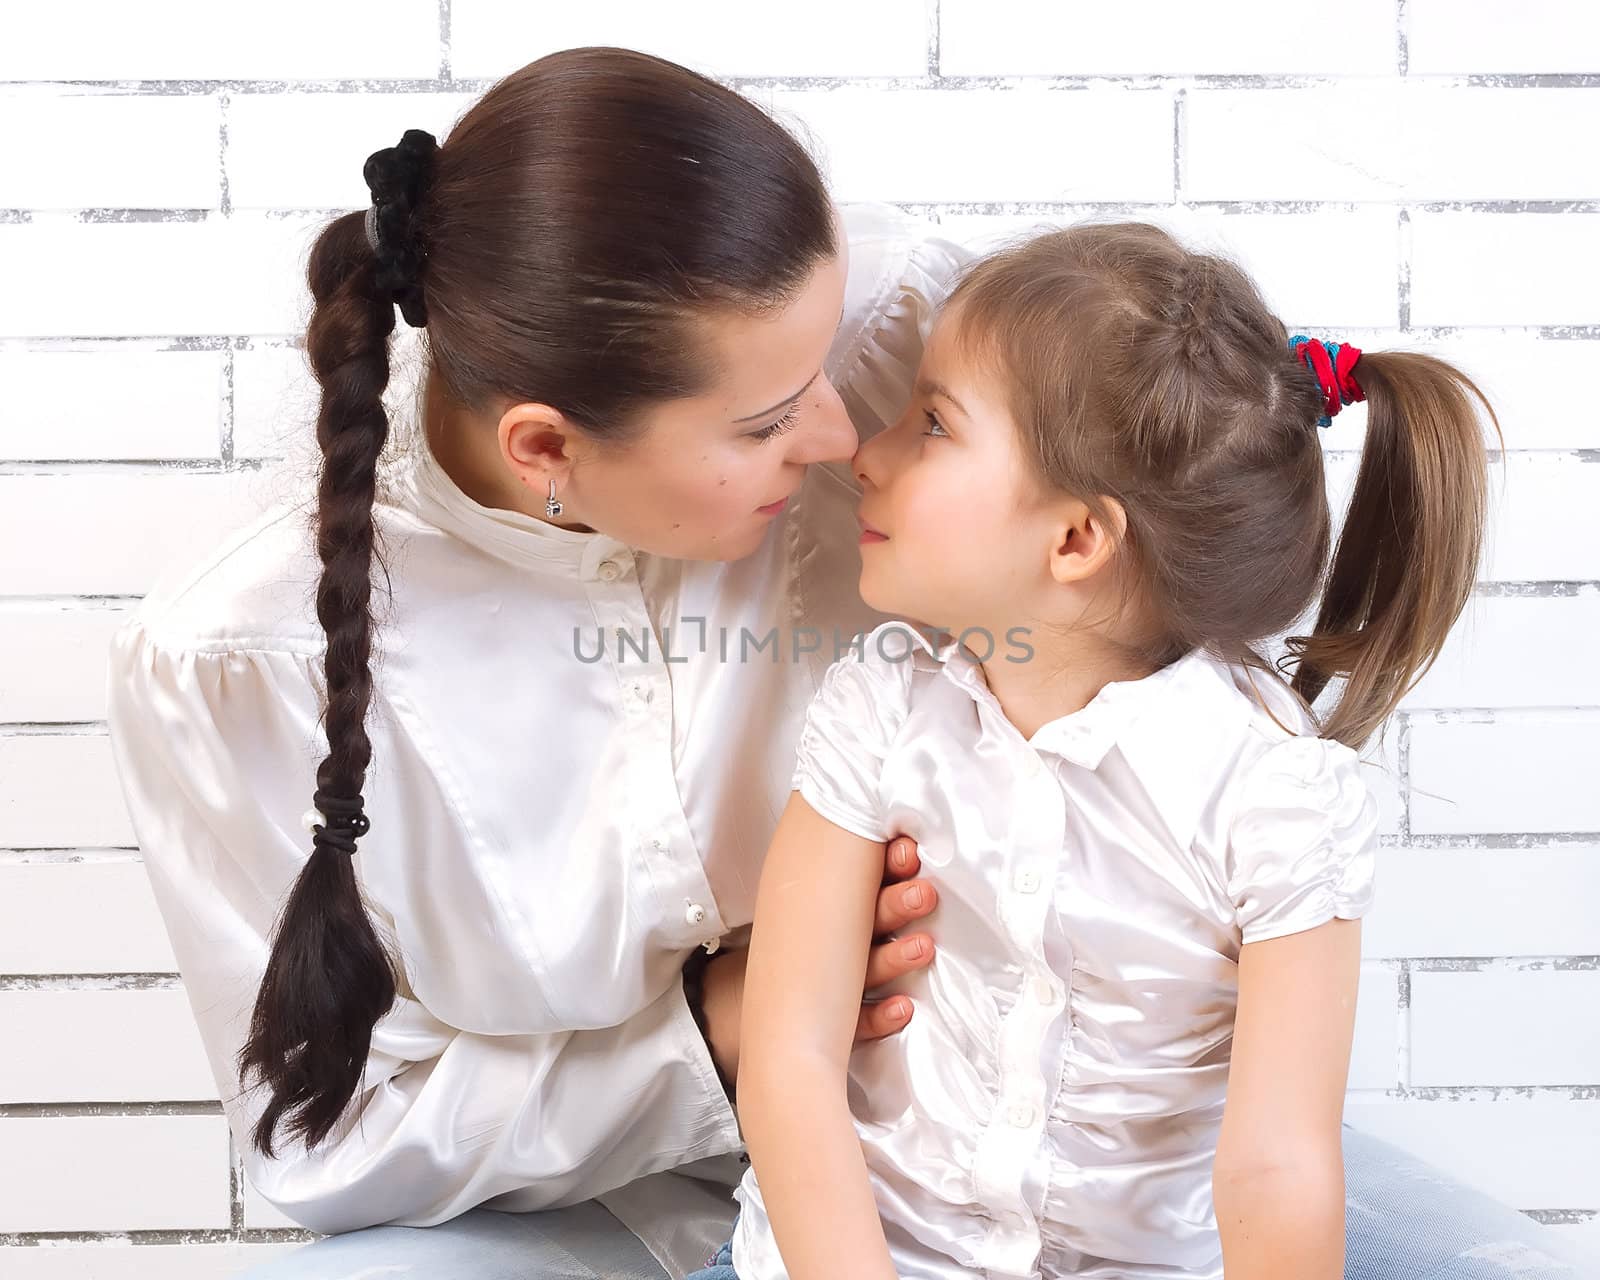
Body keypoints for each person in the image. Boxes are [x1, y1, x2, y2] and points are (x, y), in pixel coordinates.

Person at [103, 47, 1595, 1280]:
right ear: (548, 450)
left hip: (1122, 1203)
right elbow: (326, 1142)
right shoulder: (241, 666)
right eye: (764, 424)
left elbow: (1151, 472)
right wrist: (707, 1031)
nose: (843, 437)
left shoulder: (917, 345)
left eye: (873, 392)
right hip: (649, 1208)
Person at [714, 225, 1598, 1280]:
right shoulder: (880, 706)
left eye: (933, 422)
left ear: (1077, 539)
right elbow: (789, 1060)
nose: (867, 448)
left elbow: (1276, 1167)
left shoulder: (1273, 794)